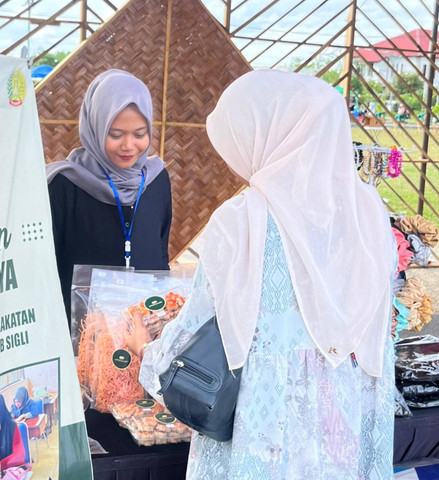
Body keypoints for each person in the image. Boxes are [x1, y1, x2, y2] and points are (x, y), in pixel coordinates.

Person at [125, 70, 396, 479]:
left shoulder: (242, 221)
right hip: (340, 429)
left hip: (260, 434)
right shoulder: (369, 216)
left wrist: (144, 351)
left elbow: (194, 329)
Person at [47, 70, 171, 331]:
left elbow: (160, 253)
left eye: (139, 134)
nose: (129, 146)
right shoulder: (65, 185)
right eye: (115, 134)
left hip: (145, 335)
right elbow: (46, 269)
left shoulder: (156, 180)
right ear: (95, 126)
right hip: (81, 337)